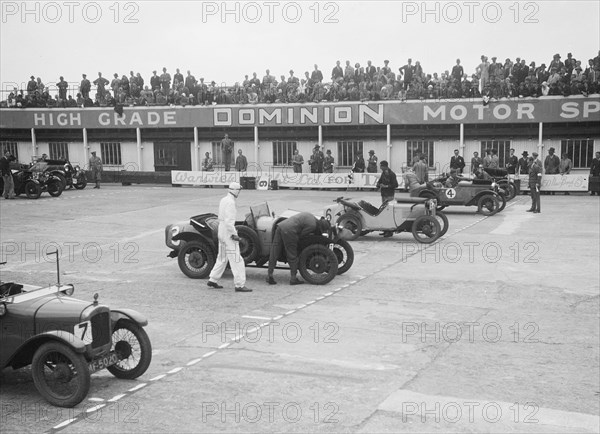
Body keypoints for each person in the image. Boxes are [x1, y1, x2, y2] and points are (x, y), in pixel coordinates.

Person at [207, 182, 252, 292]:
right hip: (228, 233)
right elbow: (229, 222)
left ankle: (213, 279)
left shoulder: (223, 200)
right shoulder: (231, 203)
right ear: (236, 191)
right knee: (237, 259)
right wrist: (235, 235)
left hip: (221, 231)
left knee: (222, 257)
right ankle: (239, 284)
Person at [266, 212, 330, 286]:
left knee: (274, 252)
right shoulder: (312, 226)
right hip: (290, 231)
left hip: (280, 226)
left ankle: (269, 275)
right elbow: (302, 236)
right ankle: (293, 278)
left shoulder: (311, 216)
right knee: (292, 255)